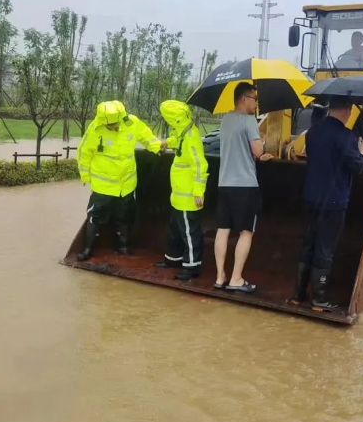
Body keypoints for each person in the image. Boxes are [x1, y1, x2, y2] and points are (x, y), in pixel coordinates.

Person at [291, 96, 363, 310]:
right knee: (325, 249)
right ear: (347, 111)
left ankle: (298, 295)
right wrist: (362, 152)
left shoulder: (313, 132)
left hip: (310, 197)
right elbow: (357, 166)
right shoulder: (346, 136)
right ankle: (320, 299)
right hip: (334, 201)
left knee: (307, 245)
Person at [76, 100, 165, 261]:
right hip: (103, 185)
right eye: (109, 125)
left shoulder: (132, 123)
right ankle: (88, 248)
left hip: (126, 183)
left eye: (115, 123)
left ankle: (122, 246)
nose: (113, 127)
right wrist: (84, 175)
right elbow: (84, 153)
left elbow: (147, 137)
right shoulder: (95, 129)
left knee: (124, 215)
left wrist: (157, 147)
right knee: (95, 216)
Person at [214, 82, 272, 292]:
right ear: (244, 99)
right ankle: (236, 279)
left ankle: (220, 276)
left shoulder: (226, 120)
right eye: (255, 99)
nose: (257, 104)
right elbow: (257, 152)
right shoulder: (249, 121)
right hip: (245, 185)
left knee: (223, 230)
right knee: (246, 232)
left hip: (224, 183)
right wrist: (262, 146)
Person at [154, 99, 209, 281]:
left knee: (189, 232)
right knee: (175, 230)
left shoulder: (191, 137)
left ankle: (191, 267)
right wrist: (166, 142)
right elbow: (176, 139)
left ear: (174, 119)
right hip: (178, 195)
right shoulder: (183, 132)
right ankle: (173, 259)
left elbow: (200, 165)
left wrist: (198, 191)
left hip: (188, 197)